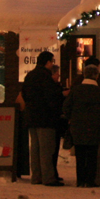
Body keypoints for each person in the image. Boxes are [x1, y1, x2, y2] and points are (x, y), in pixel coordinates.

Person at [63, 64, 100, 188]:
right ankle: (90, 180)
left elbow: (66, 107)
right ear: (96, 76)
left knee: (80, 154)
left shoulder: (76, 90)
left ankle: (80, 180)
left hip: (77, 126)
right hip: (94, 126)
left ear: (84, 75)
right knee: (92, 155)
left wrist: (71, 118)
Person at [21, 51, 64, 186]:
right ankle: (48, 178)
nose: (52, 64)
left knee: (35, 148)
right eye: (52, 61)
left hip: (31, 117)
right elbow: (51, 97)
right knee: (46, 149)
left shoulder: (30, 75)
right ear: (47, 62)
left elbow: (25, 94)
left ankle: (37, 176)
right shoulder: (45, 76)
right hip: (45, 118)